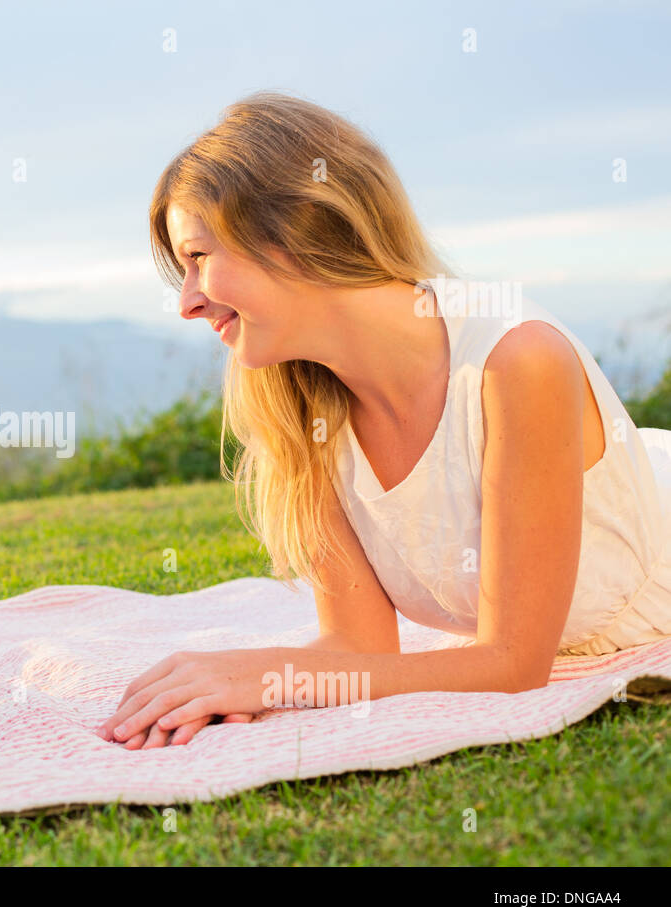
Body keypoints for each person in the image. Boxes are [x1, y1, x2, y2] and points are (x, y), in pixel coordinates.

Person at [97, 91, 671, 749]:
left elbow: (513, 665)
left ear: (293, 231)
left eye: (198, 258)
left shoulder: (515, 360)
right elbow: (357, 646)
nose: (188, 304)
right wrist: (244, 680)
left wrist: (272, 678)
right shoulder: (302, 411)